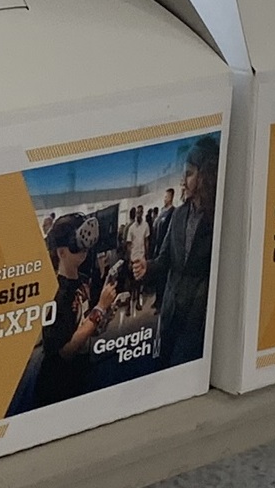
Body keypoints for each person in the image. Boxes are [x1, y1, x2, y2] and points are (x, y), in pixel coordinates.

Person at [135, 137, 218, 368]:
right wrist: (147, 266)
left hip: (197, 315)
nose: (183, 180)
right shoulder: (178, 214)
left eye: (190, 173)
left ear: (206, 176)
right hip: (171, 310)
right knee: (161, 366)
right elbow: (164, 259)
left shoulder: (218, 218)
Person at [31, 212, 117, 407]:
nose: (83, 250)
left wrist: (105, 312)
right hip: (57, 385)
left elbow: (88, 324)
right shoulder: (55, 294)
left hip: (81, 372)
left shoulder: (83, 281)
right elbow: (65, 351)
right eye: (76, 245)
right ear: (61, 252)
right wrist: (100, 309)